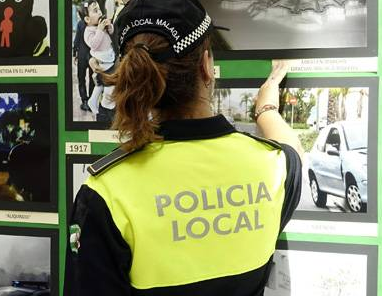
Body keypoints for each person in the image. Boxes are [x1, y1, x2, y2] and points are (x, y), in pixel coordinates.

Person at [64, 0, 303, 295]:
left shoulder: (105, 193)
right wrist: (266, 107)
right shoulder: (274, 166)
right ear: (206, 67)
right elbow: (294, 150)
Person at [79, 0, 116, 119]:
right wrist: (100, 29)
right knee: (108, 83)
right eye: (95, 11)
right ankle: (106, 104)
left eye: (99, 9)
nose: (100, 12)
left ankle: (93, 101)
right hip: (103, 62)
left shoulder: (100, 26)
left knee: (100, 85)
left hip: (110, 58)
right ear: (87, 20)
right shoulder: (88, 31)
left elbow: (111, 33)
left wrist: (109, 27)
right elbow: (94, 44)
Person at [73, 17, 94, 112]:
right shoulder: (95, 24)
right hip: (92, 54)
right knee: (92, 78)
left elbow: (77, 39)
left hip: (82, 54)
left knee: (81, 78)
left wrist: (74, 53)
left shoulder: (80, 24)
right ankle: (91, 101)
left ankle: (84, 100)